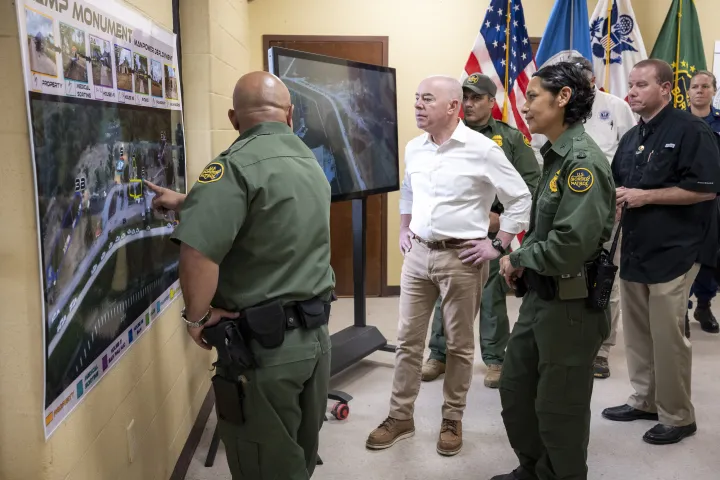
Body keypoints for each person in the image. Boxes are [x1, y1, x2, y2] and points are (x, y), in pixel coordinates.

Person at [146, 71, 335, 479]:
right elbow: (268, 215)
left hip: (264, 355)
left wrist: (196, 319)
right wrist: (190, 203)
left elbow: (198, 255)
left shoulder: (232, 167)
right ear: (290, 114)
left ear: (234, 118)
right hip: (314, 343)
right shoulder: (307, 160)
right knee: (297, 457)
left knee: (263, 465)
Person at [366, 75, 532, 456]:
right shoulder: (415, 148)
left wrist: (498, 244)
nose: (418, 106)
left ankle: (452, 418)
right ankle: (400, 416)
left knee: (458, 345)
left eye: (427, 99)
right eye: (416, 98)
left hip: (463, 258)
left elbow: (521, 198)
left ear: (452, 107)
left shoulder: (483, 149)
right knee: (408, 341)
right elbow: (409, 188)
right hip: (418, 255)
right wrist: (404, 227)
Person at [492, 62, 615, 480]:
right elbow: (545, 228)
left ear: (563, 98)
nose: (524, 106)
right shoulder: (553, 155)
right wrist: (524, 257)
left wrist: (517, 258)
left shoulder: (582, 163)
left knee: (559, 408)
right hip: (540, 298)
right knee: (516, 390)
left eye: (532, 96)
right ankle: (534, 468)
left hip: (572, 307)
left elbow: (567, 246)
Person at [602, 59, 720, 446]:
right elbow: (622, 183)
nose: (631, 92)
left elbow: (705, 189)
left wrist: (644, 196)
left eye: (640, 85)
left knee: (668, 336)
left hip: (676, 250)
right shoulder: (634, 136)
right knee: (637, 334)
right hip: (635, 248)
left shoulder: (691, 130)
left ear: (666, 89)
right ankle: (645, 400)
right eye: (630, 85)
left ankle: (677, 415)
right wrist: (620, 201)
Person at [421, 73, 540, 389]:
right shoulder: (441, 135)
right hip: (449, 233)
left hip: (489, 234)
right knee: (442, 293)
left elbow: (531, 186)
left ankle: (496, 359)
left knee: (491, 296)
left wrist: (500, 223)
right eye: (466, 98)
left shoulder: (510, 139)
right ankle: (438, 354)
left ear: (492, 101)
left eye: (477, 98)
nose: (470, 104)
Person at [532, 54, 636, 380]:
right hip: (558, 199)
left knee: (602, 275)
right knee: (560, 270)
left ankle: (602, 349)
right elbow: (541, 154)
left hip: (604, 202)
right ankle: (559, 336)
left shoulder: (616, 106)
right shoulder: (551, 111)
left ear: (590, 78)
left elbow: (629, 153)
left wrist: (622, 193)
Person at [685, 70, 720, 335]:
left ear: (714, 91)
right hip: (682, 198)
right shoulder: (675, 122)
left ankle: (704, 304)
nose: (699, 90)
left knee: (711, 253)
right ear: (687, 92)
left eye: (705, 86)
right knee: (683, 254)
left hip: (715, 199)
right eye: (695, 86)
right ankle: (680, 309)